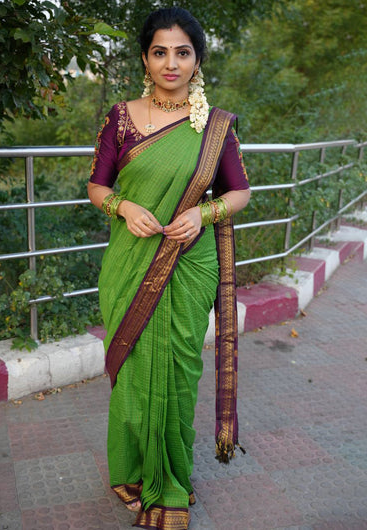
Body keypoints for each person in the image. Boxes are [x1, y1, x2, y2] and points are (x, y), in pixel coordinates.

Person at [87, 7, 250, 529]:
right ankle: (133, 472)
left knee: (179, 372)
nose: (171, 63)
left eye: (183, 52)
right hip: (130, 262)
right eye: (160, 52)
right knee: (133, 370)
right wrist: (125, 207)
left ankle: (171, 481)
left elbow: (239, 193)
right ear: (145, 57)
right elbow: (97, 185)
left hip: (189, 262)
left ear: (197, 60)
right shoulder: (121, 117)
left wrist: (203, 213)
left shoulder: (216, 127)